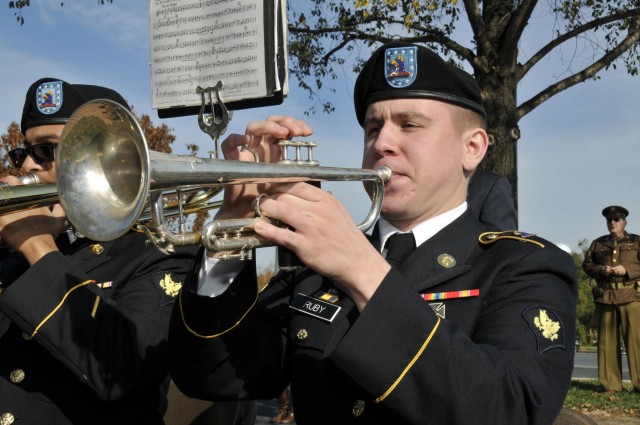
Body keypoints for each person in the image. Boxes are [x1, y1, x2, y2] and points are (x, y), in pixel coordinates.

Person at [169, 42, 578, 424]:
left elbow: (514, 407)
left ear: (472, 148)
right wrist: (227, 234)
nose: (381, 142)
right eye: (372, 127)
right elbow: (212, 376)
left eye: (410, 125)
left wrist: (363, 271)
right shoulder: (314, 265)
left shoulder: (525, 265)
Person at [0, 78, 197, 424]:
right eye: (22, 153)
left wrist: (37, 245)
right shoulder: (8, 255)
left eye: (47, 151)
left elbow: (122, 367)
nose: (27, 167)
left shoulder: (160, 254)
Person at [582, 205, 640, 393]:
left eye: (616, 219)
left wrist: (628, 271)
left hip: (631, 296)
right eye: (609, 220)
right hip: (606, 297)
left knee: (635, 341)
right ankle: (610, 385)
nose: (612, 223)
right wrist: (601, 270)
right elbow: (587, 264)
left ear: (625, 222)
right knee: (607, 342)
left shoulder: (637, 241)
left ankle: (638, 384)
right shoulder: (598, 244)